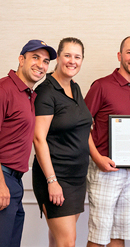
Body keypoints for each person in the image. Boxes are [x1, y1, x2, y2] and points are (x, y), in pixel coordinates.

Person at [0, 39, 56, 247]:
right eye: (35, 58)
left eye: (45, 61)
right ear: (21, 59)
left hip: (14, 180)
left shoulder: (29, 95)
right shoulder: (1, 89)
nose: (41, 65)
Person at [84, 36, 130, 247]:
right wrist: (97, 159)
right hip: (104, 171)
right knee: (98, 237)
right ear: (119, 56)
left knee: (119, 236)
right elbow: (82, 125)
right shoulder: (102, 86)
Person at [32, 37, 92, 247]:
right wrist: (51, 180)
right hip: (56, 177)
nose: (72, 61)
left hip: (77, 178)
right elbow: (38, 138)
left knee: (58, 241)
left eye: (77, 57)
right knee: (67, 242)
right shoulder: (46, 91)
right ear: (58, 57)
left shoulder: (74, 88)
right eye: (67, 55)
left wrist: (99, 157)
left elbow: (83, 129)